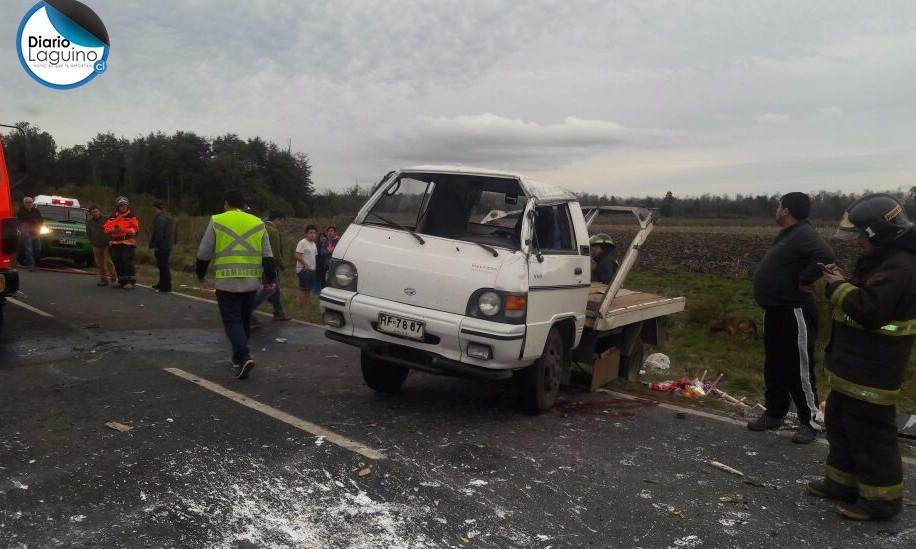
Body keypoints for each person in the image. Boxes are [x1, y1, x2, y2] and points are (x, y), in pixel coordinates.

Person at [806, 193, 916, 521]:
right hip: (854, 366)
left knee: (871, 435)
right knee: (841, 424)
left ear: (876, 233)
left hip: (874, 370)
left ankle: (880, 502)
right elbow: (867, 293)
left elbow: (871, 311)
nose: (856, 241)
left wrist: (837, 288)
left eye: (860, 234)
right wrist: (845, 281)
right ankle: (841, 484)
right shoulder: (884, 259)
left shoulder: (903, 268)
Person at [749, 192, 835, 444]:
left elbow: (826, 254)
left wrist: (806, 279)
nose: (776, 211)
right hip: (775, 310)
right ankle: (775, 412)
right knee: (774, 364)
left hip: (794, 310)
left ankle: (810, 421)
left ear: (785, 210)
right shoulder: (789, 234)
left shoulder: (804, 234)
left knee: (798, 366)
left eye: (778, 207)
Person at [196, 190, 277, 380]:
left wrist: (200, 273)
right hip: (251, 281)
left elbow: (204, 252)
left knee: (232, 321)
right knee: (244, 320)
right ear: (244, 205)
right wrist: (271, 279)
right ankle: (237, 356)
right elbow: (268, 255)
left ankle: (243, 355)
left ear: (225, 203)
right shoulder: (258, 223)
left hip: (227, 281)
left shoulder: (217, 220)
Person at [251, 211, 291, 322]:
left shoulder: (260, 227)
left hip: (257, 263)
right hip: (269, 265)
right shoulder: (273, 231)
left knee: (275, 289)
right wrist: (282, 266)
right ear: (277, 220)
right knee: (269, 289)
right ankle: (248, 309)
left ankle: (278, 313)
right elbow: (275, 253)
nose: (282, 225)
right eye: (282, 222)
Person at [103, 196, 140, 289]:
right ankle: (121, 281)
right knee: (117, 262)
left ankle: (130, 281)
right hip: (114, 242)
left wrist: (122, 229)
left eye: (124, 205)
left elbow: (136, 230)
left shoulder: (131, 217)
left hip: (127, 242)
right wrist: (113, 230)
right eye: (121, 206)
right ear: (117, 207)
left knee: (127, 261)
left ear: (127, 206)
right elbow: (105, 229)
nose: (122, 207)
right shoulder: (112, 217)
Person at [149, 199, 177, 293]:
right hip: (168, 244)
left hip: (161, 246)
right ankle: (162, 283)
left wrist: (155, 245)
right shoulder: (169, 217)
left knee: (163, 266)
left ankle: (166, 286)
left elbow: (158, 233)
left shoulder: (160, 219)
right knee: (162, 266)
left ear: (156, 208)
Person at [86, 205, 116, 286]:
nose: (95, 213)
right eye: (93, 212)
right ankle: (103, 279)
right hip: (96, 245)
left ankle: (113, 277)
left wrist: (112, 239)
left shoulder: (106, 219)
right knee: (99, 263)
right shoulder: (89, 222)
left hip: (107, 244)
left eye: (96, 211)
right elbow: (88, 234)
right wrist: (92, 241)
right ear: (90, 214)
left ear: (98, 211)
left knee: (108, 261)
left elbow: (113, 229)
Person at [294, 225, 318, 310]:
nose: (312, 234)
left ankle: (306, 307)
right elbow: (297, 255)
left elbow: (314, 256)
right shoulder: (302, 242)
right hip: (304, 270)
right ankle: (302, 308)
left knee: (308, 290)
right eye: (310, 233)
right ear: (306, 233)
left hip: (312, 269)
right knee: (303, 289)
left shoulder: (314, 244)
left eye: (314, 233)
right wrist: (305, 264)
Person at [16, 196, 43, 271]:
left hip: (35, 232)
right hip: (26, 232)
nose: (28, 204)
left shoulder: (36, 211)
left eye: (30, 202)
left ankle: (28, 261)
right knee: (29, 249)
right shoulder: (20, 212)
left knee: (38, 248)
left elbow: (41, 220)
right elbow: (18, 222)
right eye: (27, 202)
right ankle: (31, 265)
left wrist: (39, 227)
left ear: (32, 203)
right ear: (24, 203)